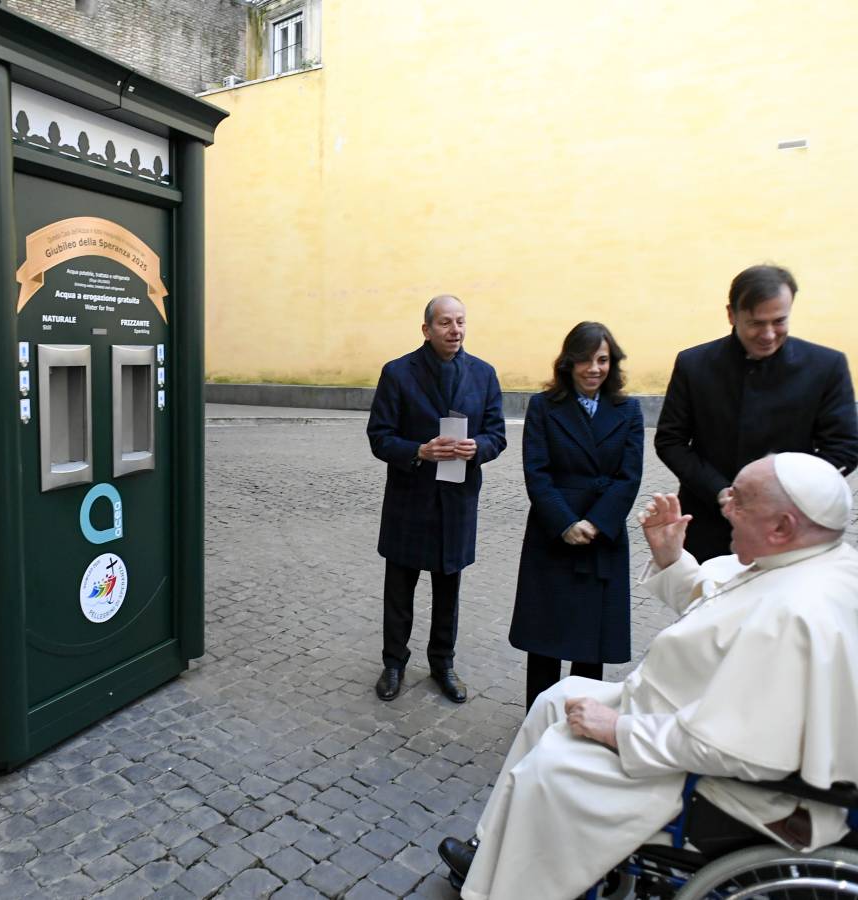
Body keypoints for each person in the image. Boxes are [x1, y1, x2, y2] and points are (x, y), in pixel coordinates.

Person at [438, 452, 858, 900]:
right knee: (555, 697)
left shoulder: (801, 611)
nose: (725, 505)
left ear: (782, 527)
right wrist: (671, 558)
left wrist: (618, 729)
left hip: (730, 784)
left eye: (740, 500)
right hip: (685, 716)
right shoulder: (807, 559)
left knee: (552, 768)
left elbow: (735, 749)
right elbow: (724, 612)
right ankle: (493, 853)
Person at [655, 263, 858, 562]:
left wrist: (787, 496)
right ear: (731, 314)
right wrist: (719, 491)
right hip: (709, 525)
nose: (768, 334)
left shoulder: (826, 366)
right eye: (755, 323)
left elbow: (845, 447)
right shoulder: (693, 365)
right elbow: (670, 441)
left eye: (779, 321)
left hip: (790, 528)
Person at [367, 294, 507, 703]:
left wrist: (477, 447)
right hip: (410, 498)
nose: (455, 330)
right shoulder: (398, 373)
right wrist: (419, 451)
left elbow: (498, 434)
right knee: (399, 588)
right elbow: (379, 436)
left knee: (449, 589)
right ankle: (394, 663)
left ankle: (442, 663)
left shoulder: (483, 374)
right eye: (445, 323)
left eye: (461, 322)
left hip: (457, 500)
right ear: (426, 330)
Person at [509, 322, 644, 710]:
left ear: (612, 363)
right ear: (568, 363)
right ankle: (538, 719)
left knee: (590, 644)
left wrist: (598, 522)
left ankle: (581, 720)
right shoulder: (543, 407)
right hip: (554, 536)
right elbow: (537, 472)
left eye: (602, 359)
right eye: (584, 360)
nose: (593, 369)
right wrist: (566, 522)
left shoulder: (629, 410)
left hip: (602, 541)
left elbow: (629, 476)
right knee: (545, 641)